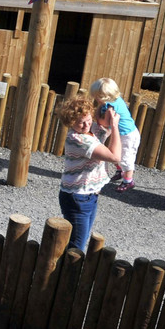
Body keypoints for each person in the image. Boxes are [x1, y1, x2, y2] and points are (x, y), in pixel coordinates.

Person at [58, 96, 121, 253]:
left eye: (88, 119)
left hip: (89, 196)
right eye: (81, 122)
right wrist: (115, 126)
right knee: (77, 245)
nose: (86, 125)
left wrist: (104, 105)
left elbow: (102, 127)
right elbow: (115, 157)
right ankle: (68, 275)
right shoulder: (77, 139)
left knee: (80, 240)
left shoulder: (89, 130)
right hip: (77, 197)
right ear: (71, 122)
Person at [90, 77, 141, 193]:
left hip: (128, 135)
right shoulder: (113, 100)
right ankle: (120, 171)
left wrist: (97, 117)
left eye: (97, 97)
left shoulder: (111, 108)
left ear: (103, 97)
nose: (96, 99)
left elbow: (105, 123)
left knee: (126, 158)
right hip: (121, 133)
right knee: (115, 152)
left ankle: (128, 181)